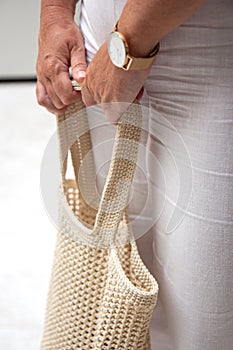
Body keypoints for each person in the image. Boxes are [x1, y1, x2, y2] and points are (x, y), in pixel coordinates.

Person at [36, 0, 233, 349]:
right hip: (100, 60)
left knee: (209, 321)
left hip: (210, 62)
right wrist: (54, 14)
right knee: (118, 301)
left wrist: (127, 44)